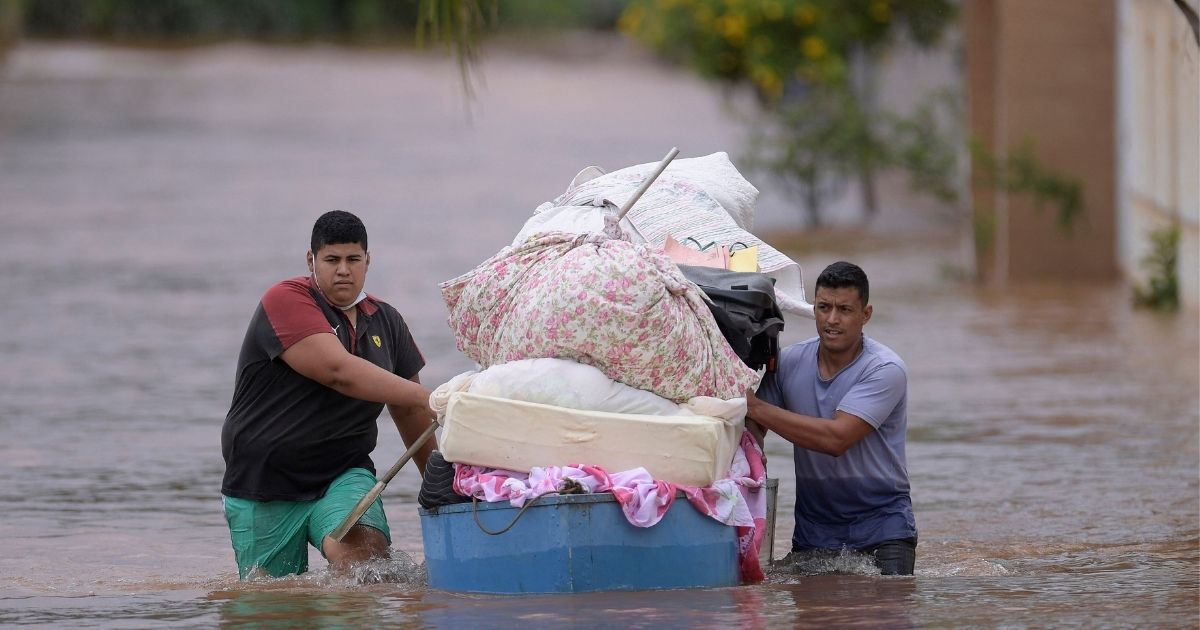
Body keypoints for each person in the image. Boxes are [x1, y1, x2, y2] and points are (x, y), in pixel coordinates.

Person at [220, 210, 437, 579]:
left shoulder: (387, 320)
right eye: (331, 260)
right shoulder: (285, 300)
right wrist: (437, 396)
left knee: (366, 567)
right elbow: (339, 373)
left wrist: (442, 484)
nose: (343, 270)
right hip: (264, 479)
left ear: (368, 261)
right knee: (273, 603)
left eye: (353, 260)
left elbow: (408, 409)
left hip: (343, 472)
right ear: (311, 260)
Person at [746, 261, 917, 575]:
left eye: (845, 310)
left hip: (882, 530)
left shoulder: (885, 369)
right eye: (824, 307)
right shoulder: (787, 363)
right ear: (814, 309)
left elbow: (837, 438)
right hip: (814, 533)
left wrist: (753, 406)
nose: (832, 320)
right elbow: (752, 430)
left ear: (866, 315)